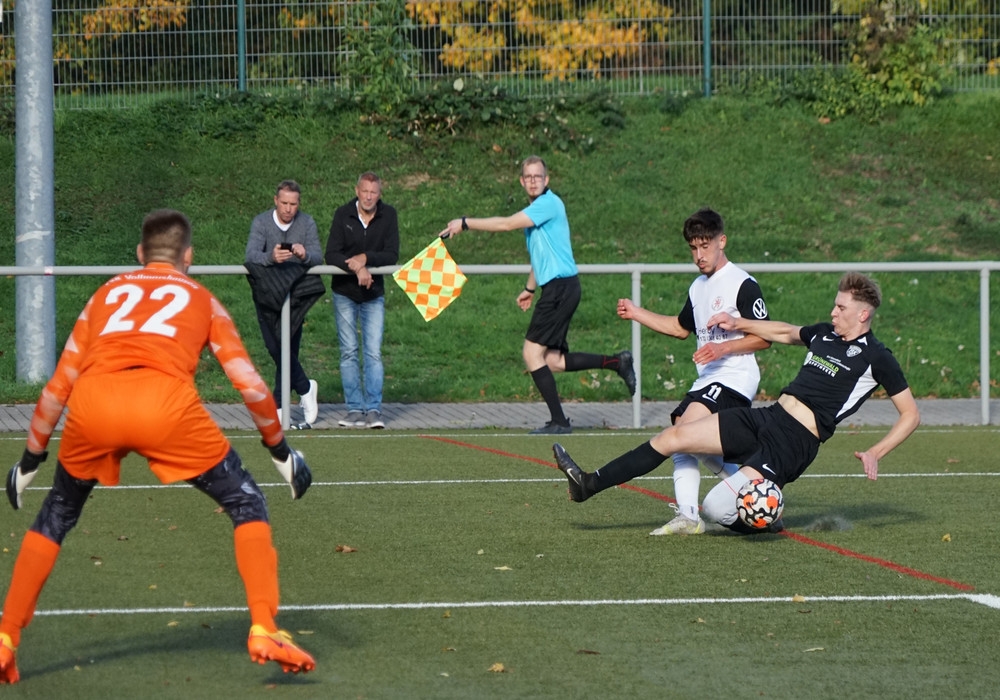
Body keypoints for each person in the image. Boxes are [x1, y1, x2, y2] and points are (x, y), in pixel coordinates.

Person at [0, 210, 315, 684]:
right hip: (166, 408)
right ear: (189, 257)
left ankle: (5, 637)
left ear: (139, 254)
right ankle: (264, 628)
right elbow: (250, 385)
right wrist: (281, 452)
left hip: (94, 405)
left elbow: (57, 387)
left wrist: (30, 459)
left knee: (56, 514)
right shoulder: (202, 299)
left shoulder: (105, 295)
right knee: (245, 501)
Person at [554, 272, 920, 534]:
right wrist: (738, 321)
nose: (833, 312)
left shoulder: (877, 357)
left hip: (794, 443)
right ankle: (588, 484)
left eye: (841, 307)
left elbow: (910, 415)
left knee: (715, 509)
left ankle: (765, 519)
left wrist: (876, 452)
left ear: (863, 314)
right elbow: (783, 331)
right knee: (675, 436)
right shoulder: (825, 334)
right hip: (768, 418)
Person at [440, 155, 635, 434]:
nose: (533, 181)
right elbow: (540, 255)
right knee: (552, 360)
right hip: (559, 287)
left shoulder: (548, 204)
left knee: (531, 354)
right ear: (522, 181)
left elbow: (506, 224)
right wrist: (530, 288)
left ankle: (559, 422)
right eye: (528, 177)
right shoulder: (536, 210)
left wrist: (465, 222)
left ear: (547, 179)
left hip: (561, 288)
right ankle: (618, 362)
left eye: (538, 176)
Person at [617, 208, 771, 536]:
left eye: (705, 246)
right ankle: (750, 491)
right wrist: (636, 312)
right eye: (693, 248)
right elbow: (679, 328)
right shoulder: (698, 287)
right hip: (710, 377)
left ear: (721, 241)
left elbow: (764, 337)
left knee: (684, 431)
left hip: (734, 376)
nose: (699, 255)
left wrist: (723, 348)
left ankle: (690, 516)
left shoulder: (742, 284)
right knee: (683, 435)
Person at [245, 180, 325, 426]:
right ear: (275, 201)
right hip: (267, 293)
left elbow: (318, 256)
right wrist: (271, 257)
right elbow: (251, 255)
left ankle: (279, 407)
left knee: (288, 348)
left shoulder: (306, 222)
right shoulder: (261, 222)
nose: (289, 209)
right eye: (284, 203)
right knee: (274, 347)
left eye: (293, 204)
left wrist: (304, 254)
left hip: (296, 293)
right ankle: (305, 388)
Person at [325, 172, 400, 429]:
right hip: (344, 292)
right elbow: (331, 254)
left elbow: (391, 254)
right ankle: (354, 409)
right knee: (348, 352)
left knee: (373, 353)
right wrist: (356, 268)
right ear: (357, 191)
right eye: (365, 191)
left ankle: (374, 410)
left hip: (374, 294)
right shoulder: (342, 214)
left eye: (373, 192)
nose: (368, 197)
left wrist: (365, 259)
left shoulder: (389, 215)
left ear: (380, 194)